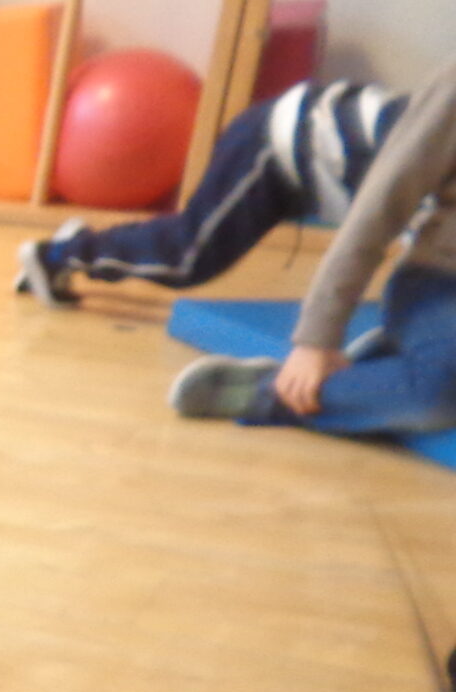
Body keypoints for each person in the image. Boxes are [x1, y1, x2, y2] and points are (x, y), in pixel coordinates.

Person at [165, 56, 456, 431]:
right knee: (440, 394)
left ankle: (388, 358)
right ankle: (270, 394)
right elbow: (375, 212)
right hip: (439, 283)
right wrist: (317, 339)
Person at [13, 73, 410, 307]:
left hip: (302, 158)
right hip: (272, 144)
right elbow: (365, 252)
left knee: (187, 245)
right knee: (188, 258)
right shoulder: (423, 166)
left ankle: (78, 245)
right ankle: (56, 254)